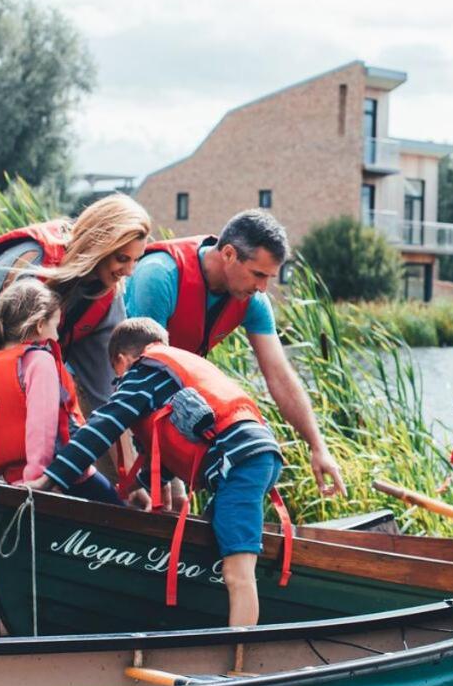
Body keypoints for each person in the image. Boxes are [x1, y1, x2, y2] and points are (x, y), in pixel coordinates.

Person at [0, 193, 150, 633]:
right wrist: (9, 357)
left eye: (135, 261)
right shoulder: (33, 256)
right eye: (121, 257)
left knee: (31, 487)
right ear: (99, 240)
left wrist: (129, 474)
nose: (127, 271)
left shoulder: (107, 300)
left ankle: (15, 615)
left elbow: (105, 396)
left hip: (25, 382)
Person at [28, 317, 293, 641]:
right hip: (249, 456)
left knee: (238, 572)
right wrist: (140, 485)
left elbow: (104, 425)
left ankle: (238, 662)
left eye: (117, 376)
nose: (120, 382)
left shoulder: (144, 372)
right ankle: (208, 630)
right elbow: (173, 445)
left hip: (239, 462)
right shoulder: (170, 375)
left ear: (122, 361)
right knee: (209, 545)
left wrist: (49, 479)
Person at [125, 209, 343, 501]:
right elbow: (138, 376)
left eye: (269, 277)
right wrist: (152, 463)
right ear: (228, 254)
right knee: (137, 497)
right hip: (114, 389)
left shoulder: (253, 300)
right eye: (258, 274)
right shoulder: (159, 276)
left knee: (177, 503)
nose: (263, 288)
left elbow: (279, 375)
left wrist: (318, 446)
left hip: (166, 395)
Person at [0, 281, 124, 638]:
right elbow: (42, 426)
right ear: (38, 325)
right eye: (56, 323)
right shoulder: (38, 360)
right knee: (122, 517)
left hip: (7, 480)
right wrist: (41, 484)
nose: (58, 330)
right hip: (57, 474)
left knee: (11, 564)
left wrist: (12, 488)